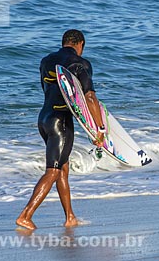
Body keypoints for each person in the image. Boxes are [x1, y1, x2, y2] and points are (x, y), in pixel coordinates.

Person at [16, 29, 105, 230]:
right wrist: (98, 128)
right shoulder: (80, 63)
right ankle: (25, 215)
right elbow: (89, 97)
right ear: (80, 44)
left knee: (62, 168)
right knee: (53, 171)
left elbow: (50, 89)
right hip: (62, 122)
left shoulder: (46, 60)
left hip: (44, 118)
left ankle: (70, 217)